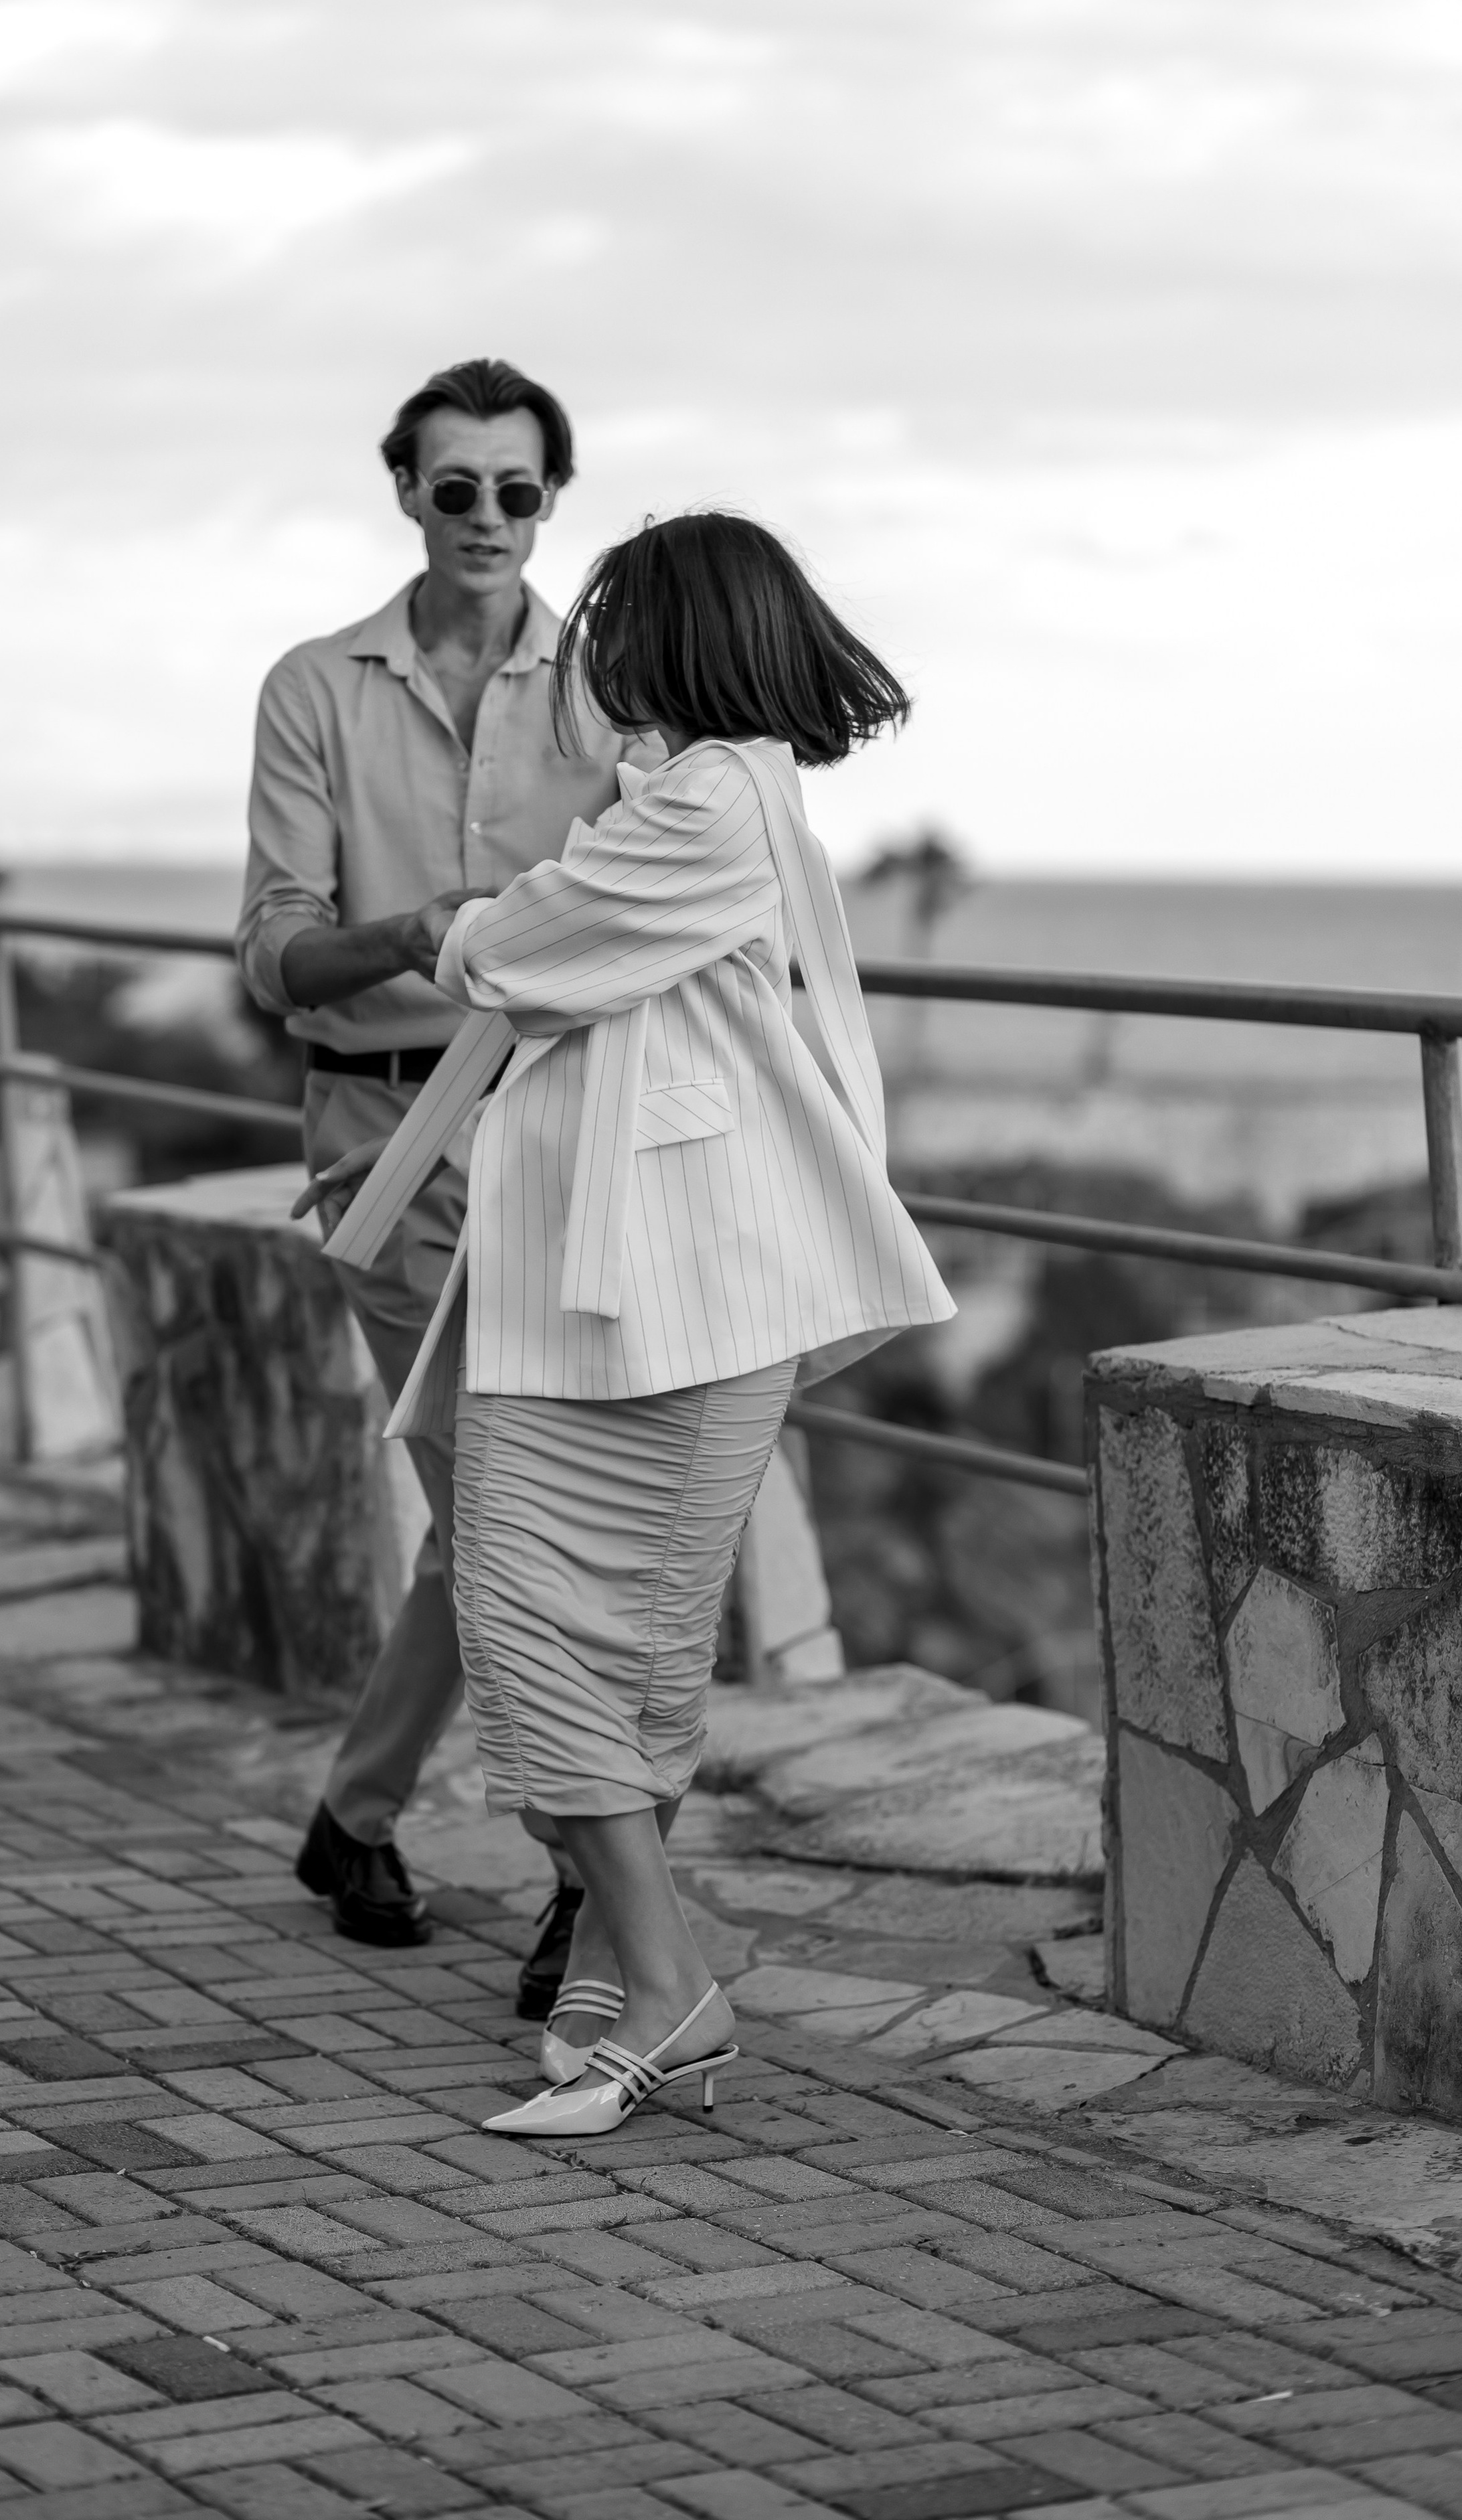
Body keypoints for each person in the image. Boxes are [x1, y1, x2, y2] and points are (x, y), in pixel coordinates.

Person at [315, 513, 957, 2136]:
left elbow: (524, 948)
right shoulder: (692, 791)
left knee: (544, 1627)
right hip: (618, 1294)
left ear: (670, 637)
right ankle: (620, 1955)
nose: (584, 651)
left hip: (670, 1297)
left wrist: (455, 926)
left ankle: (668, 1991)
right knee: (602, 1641)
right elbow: (570, 942)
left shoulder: (715, 800)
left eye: (606, 623)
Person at [234, 358, 660, 2002]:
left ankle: (355, 1814)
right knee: (510, 1513)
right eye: (456, 486)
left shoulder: (611, 689)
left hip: (561, 1135)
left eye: (520, 489)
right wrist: (408, 935)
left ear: (553, 498)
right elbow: (278, 959)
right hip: (385, 1138)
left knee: (487, 1512)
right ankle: (593, 1887)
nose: (488, 516)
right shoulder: (311, 689)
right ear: (402, 490)